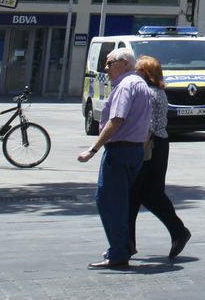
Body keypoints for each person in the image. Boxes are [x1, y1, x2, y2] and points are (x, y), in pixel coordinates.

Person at [78, 48, 154, 269]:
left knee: (109, 201)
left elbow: (116, 119)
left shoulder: (126, 86)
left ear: (124, 63)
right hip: (135, 151)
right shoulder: (141, 85)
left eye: (109, 63)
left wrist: (93, 149)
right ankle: (123, 246)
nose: (106, 68)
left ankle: (119, 252)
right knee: (121, 202)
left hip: (120, 151)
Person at [129, 56, 190, 261]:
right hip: (160, 145)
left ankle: (177, 231)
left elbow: (148, 126)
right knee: (146, 194)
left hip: (150, 146)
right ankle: (176, 231)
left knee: (139, 194)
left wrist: (137, 151)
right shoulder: (160, 92)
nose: (134, 72)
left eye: (138, 69)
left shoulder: (147, 93)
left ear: (145, 73)